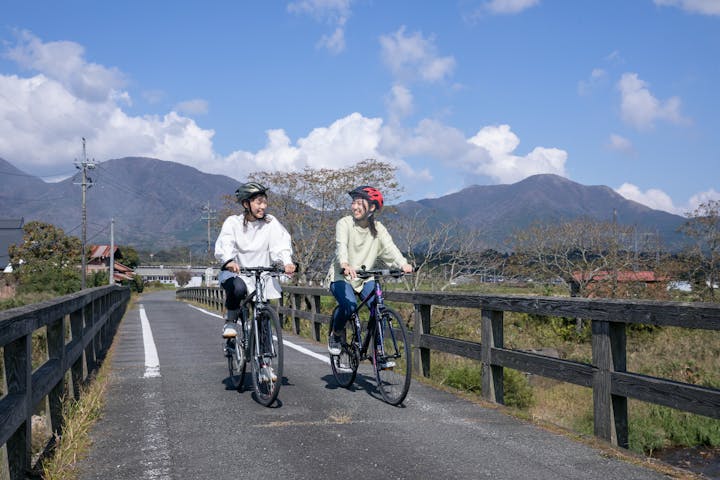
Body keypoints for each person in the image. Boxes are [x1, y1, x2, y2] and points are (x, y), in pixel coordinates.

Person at [215, 182, 296, 380]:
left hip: (262, 275)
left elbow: (281, 244)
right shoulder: (232, 223)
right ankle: (231, 321)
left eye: (264, 202)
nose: (262, 207)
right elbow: (225, 243)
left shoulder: (271, 223)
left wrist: (286, 262)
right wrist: (229, 261)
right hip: (239, 273)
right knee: (237, 288)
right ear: (246, 204)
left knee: (264, 320)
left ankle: (265, 365)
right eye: (258, 203)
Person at [326, 185, 413, 359]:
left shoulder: (379, 229)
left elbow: (390, 248)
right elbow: (341, 246)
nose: (355, 207)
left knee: (378, 307)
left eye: (360, 203)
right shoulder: (344, 223)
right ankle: (336, 334)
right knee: (349, 306)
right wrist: (345, 263)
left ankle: (379, 352)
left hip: (365, 277)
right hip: (342, 276)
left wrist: (403, 264)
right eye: (354, 202)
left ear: (371, 207)